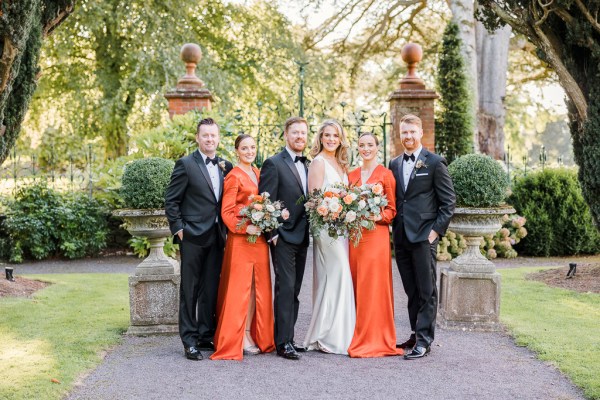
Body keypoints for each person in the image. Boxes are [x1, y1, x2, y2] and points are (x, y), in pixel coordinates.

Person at [165, 118, 233, 361]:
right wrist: (179, 229)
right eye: (205, 135)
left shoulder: (227, 166)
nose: (210, 139)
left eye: (213, 135)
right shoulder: (185, 164)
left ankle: (206, 335)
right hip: (192, 236)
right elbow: (171, 200)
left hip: (217, 235)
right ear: (197, 138)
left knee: (211, 288)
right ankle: (189, 341)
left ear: (218, 138)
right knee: (190, 289)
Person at [389, 114, 455, 360]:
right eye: (404, 132)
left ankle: (425, 341)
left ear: (420, 133)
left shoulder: (435, 163)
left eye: (411, 132)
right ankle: (416, 333)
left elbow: (448, 202)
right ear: (400, 134)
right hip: (402, 237)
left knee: (427, 290)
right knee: (411, 290)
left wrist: (434, 232)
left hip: (424, 237)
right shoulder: (394, 163)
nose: (408, 136)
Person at [210, 134, 275, 360]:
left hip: (259, 240)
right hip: (242, 240)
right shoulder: (233, 176)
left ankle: (254, 332)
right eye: (245, 148)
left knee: (258, 289)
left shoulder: (257, 173)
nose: (249, 151)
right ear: (237, 151)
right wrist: (243, 228)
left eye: (253, 147)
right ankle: (240, 336)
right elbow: (226, 212)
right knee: (242, 289)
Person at [258, 116, 310, 360]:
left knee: (295, 289)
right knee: (285, 288)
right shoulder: (273, 163)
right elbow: (265, 201)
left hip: (303, 235)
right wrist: (273, 234)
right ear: (286, 135)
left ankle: (289, 337)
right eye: (295, 132)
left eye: (303, 133)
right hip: (283, 237)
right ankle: (282, 342)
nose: (300, 136)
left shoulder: (309, 164)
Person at [303, 119, 356, 355]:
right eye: (327, 136)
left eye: (335, 136)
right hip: (325, 228)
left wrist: (345, 210)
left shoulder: (342, 164)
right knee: (338, 273)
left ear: (341, 138)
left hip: (341, 228)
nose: (331, 140)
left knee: (334, 278)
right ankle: (330, 336)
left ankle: (332, 333)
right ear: (321, 138)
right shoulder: (318, 162)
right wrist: (331, 209)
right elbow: (313, 200)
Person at [347, 132, 402, 358]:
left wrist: (375, 217)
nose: (366, 149)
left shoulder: (386, 174)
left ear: (377, 147)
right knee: (355, 282)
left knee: (375, 285)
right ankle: (355, 331)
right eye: (362, 145)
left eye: (370, 145)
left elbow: (392, 210)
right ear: (357, 148)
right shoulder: (351, 175)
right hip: (355, 238)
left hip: (376, 236)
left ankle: (376, 336)